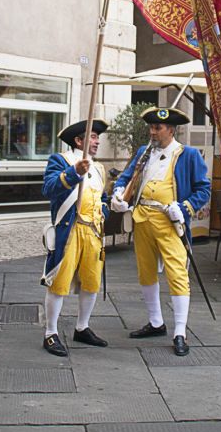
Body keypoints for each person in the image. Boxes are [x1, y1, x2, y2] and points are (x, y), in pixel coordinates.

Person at [111, 107, 211, 357]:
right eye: (151, 127)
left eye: (158, 128)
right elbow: (125, 178)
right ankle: (156, 322)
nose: (153, 132)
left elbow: (203, 190)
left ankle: (180, 331)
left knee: (177, 273)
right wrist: (118, 195)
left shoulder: (187, 155)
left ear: (171, 130)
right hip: (142, 219)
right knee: (145, 272)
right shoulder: (143, 153)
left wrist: (185, 207)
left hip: (169, 222)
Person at [41, 119, 109, 357]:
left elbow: (103, 199)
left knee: (91, 282)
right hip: (69, 231)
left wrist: (107, 211)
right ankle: (50, 332)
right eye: (92, 137)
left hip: (92, 232)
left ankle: (82, 327)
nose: (97, 141)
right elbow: (48, 188)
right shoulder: (61, 160)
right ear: (78, 141)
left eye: (97, 137)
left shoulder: (99, 168)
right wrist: (73, 173)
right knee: (58, 284)